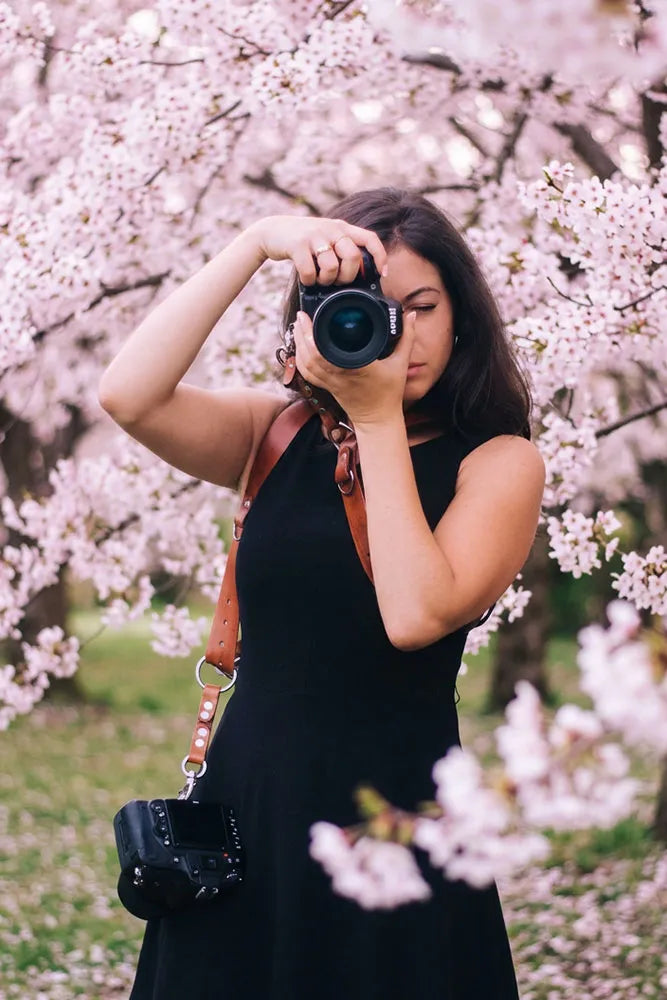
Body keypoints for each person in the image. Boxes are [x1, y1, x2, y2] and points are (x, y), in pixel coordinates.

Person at [99, 187, 545, 1000]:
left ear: (462, 317)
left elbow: (413, 617)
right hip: (252, 801)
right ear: (313, 321)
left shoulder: (498, 462)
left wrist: (374, 420)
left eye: (422, 306)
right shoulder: (275, 433)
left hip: (397, 811)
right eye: (372, 309)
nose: (399, 337)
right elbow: (128, 395)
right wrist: (257, 241)